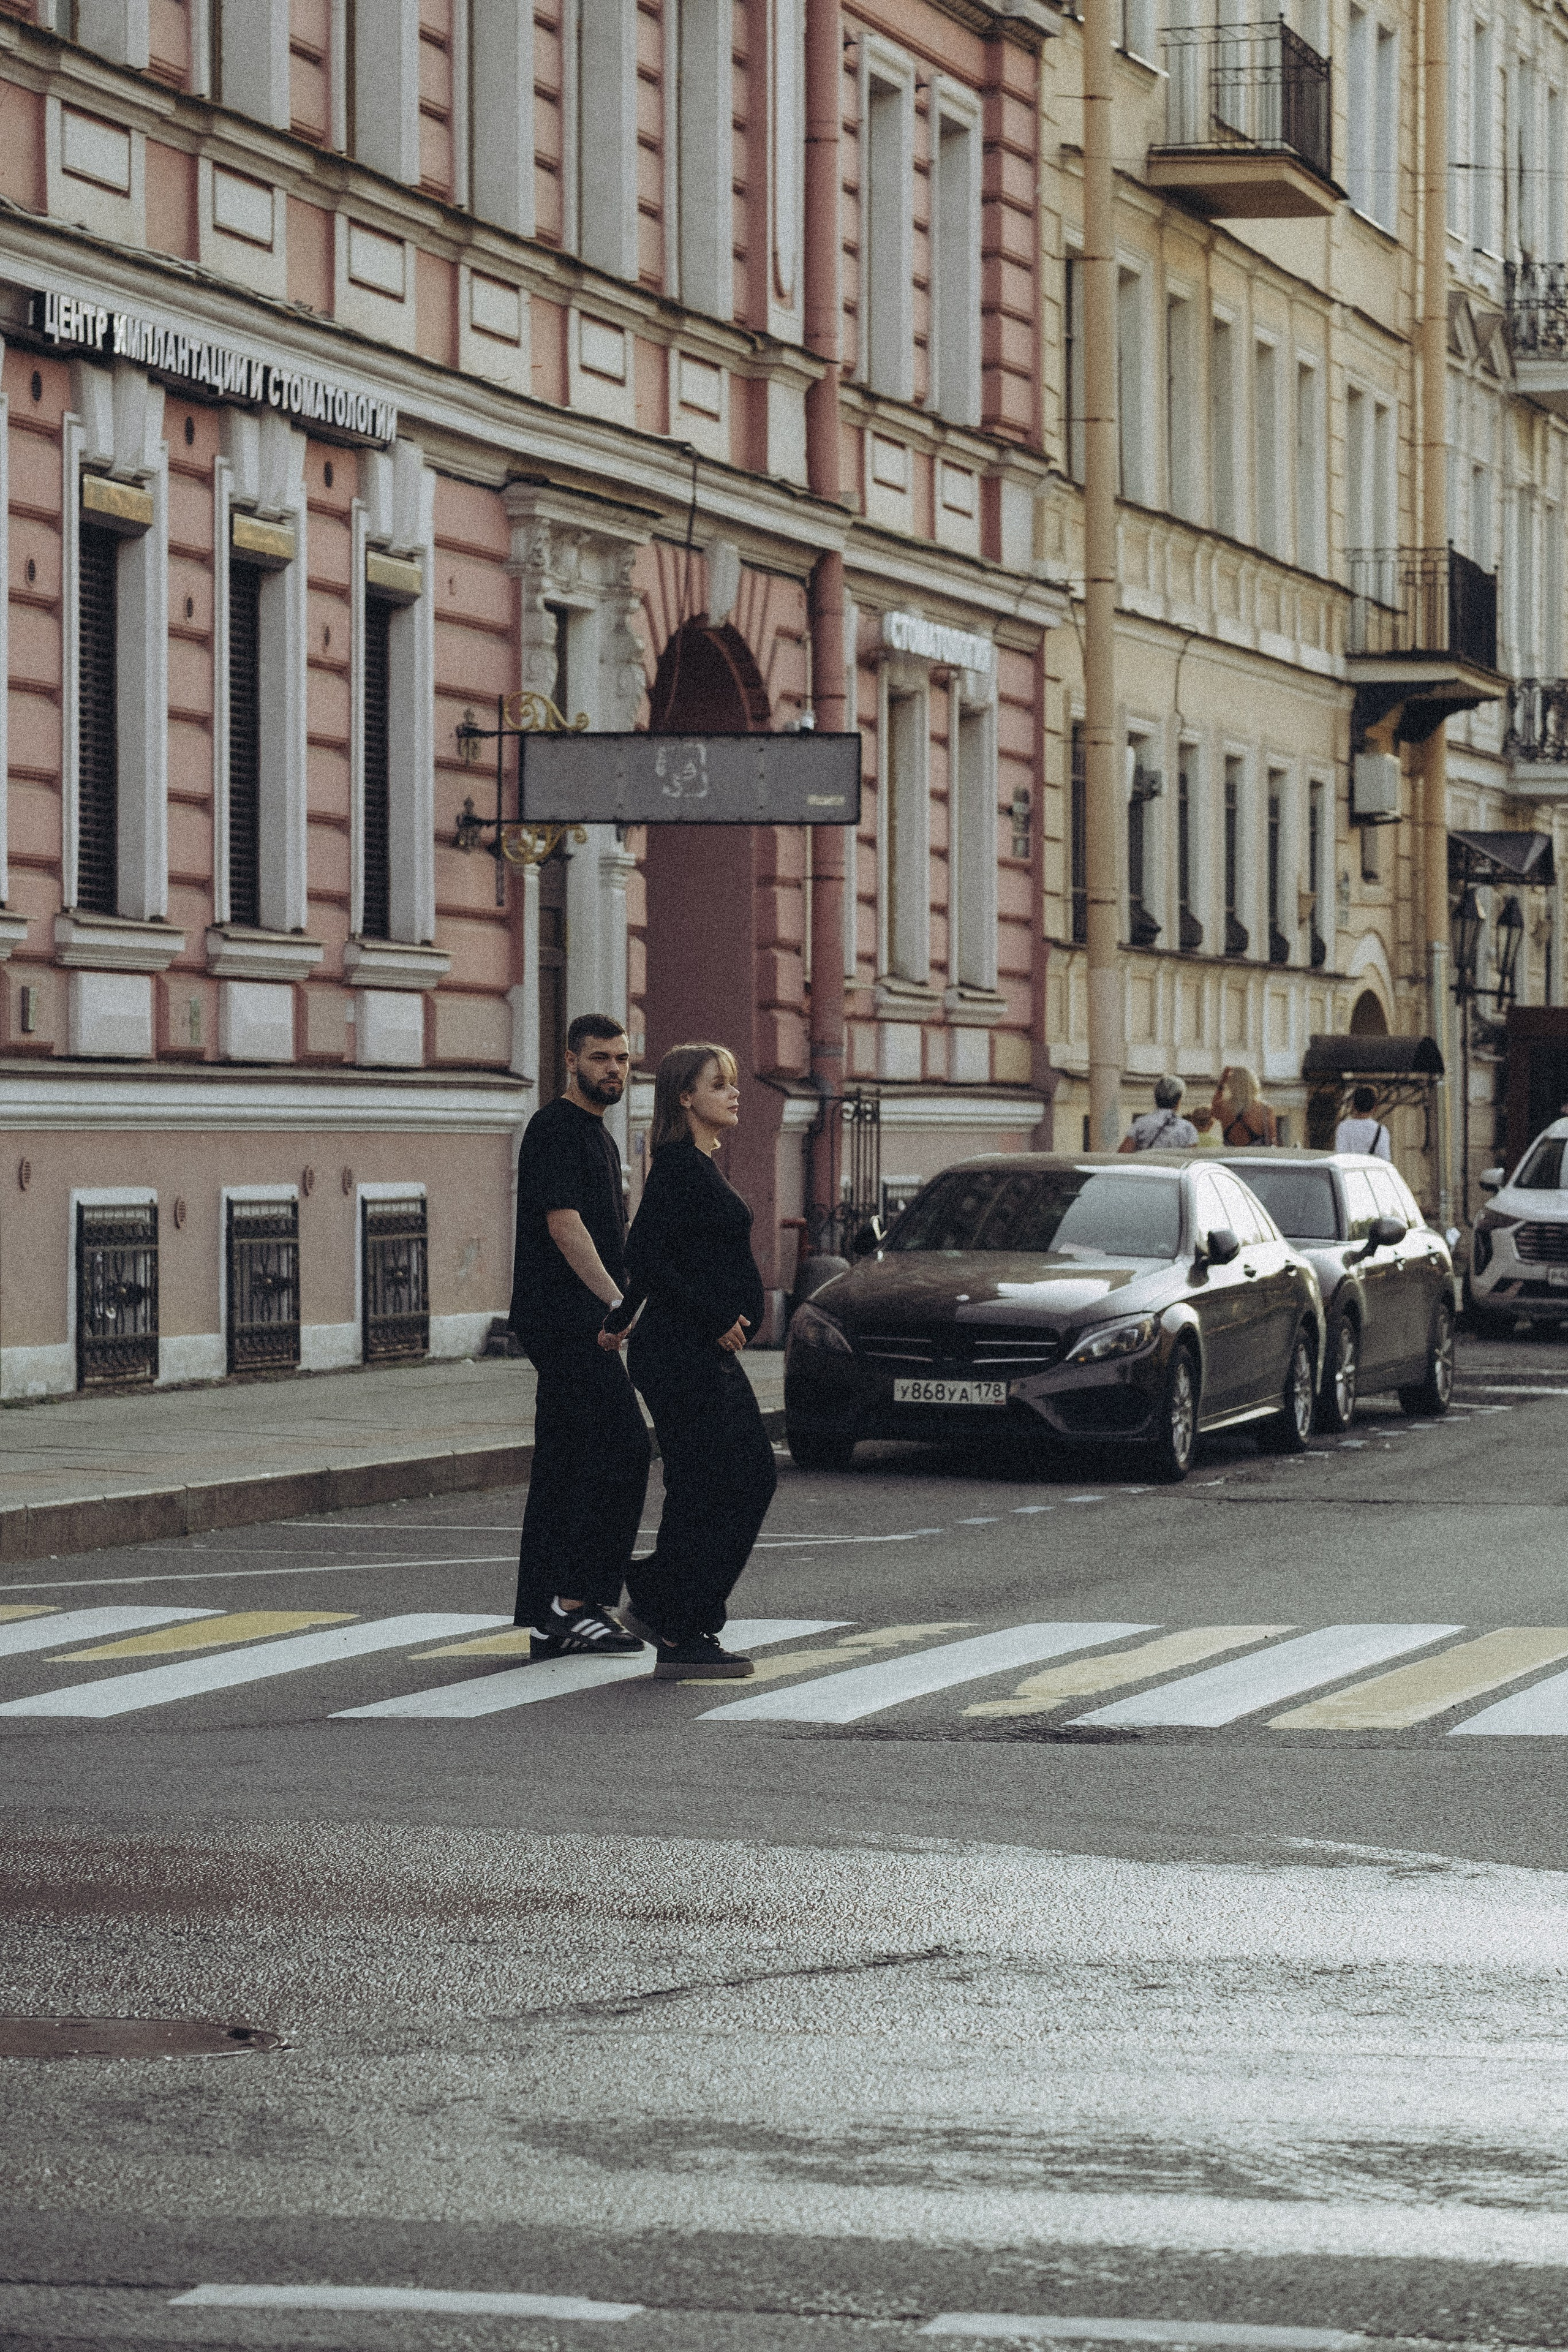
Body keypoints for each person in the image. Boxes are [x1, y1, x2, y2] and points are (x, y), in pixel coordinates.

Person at [602, 1042, 777, 1681]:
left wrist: (618, 1321)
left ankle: (664, 1605)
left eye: (733, 1082)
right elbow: (644, 1253)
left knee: (710, 1483)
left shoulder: (693, 1166)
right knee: (737, 1478)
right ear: (685, 1098)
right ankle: (680, 1621)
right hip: (683, 1354)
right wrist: (715, 1318)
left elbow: (659, 1256)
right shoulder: (680, 1165)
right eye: (718, 1084)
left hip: (689, 1351)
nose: (734, 1094)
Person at [508, 1014, 650, 1658]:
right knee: (621, 1448)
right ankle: (574, 1601)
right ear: (571, 1061)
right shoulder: (555, 1130)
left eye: (621, 1059)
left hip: (583, 1321)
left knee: (567, 1462)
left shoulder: (598, 1136)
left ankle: (552, 1614)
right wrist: (618, 1303)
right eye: (600, 1058)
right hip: (561, 1320)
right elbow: (566, 1227)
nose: (613, 1070)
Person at [1119, 1075, 1198, 1152]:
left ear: (1156, 1098)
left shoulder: (1141, 1123)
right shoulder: (1188, 1128)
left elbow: (1123, 1154)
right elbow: (1190, 1160)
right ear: (1179, 1100)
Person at [1210, 1063, 1277, 1147]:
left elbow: (1213, 1112)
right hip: (1256, 1157)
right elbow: (1272, 1139)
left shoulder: (1222, 1107)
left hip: (1231, 1157)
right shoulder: (1265, 1109)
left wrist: (1222, 1083)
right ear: (1253, 1084)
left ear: (1231, 1084)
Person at [1335, 1084, 1392, 1159]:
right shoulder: (1381, 1130)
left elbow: (1340, 1154)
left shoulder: (1343, 1127)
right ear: (1374, 1107)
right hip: (1371, 1169)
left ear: (1353, 1105)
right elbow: (1385, 1158)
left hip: (1349, 1169)